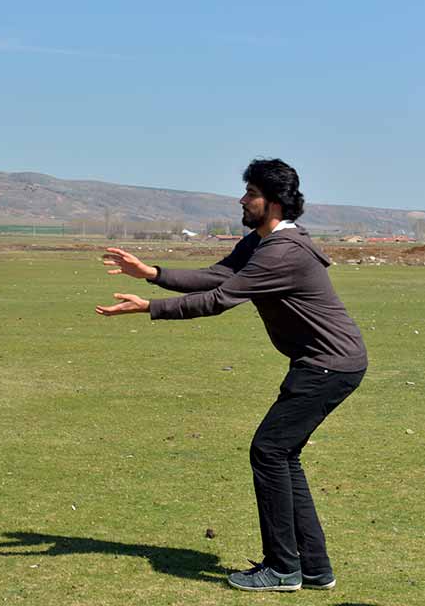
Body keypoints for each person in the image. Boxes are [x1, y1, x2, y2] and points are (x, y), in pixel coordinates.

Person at [95, 158, 367, 592]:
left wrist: (150, 307)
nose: (242, 200)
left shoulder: (282, 251)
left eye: (251, 194)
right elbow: (218, 274)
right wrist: (153, 274)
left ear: (273, 203)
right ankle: (313, 568)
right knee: (281, 454)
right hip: (323, 362)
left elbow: (220, 298)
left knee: (269, 451)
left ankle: (283, 569)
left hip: (327, 364)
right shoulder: (259, 242)